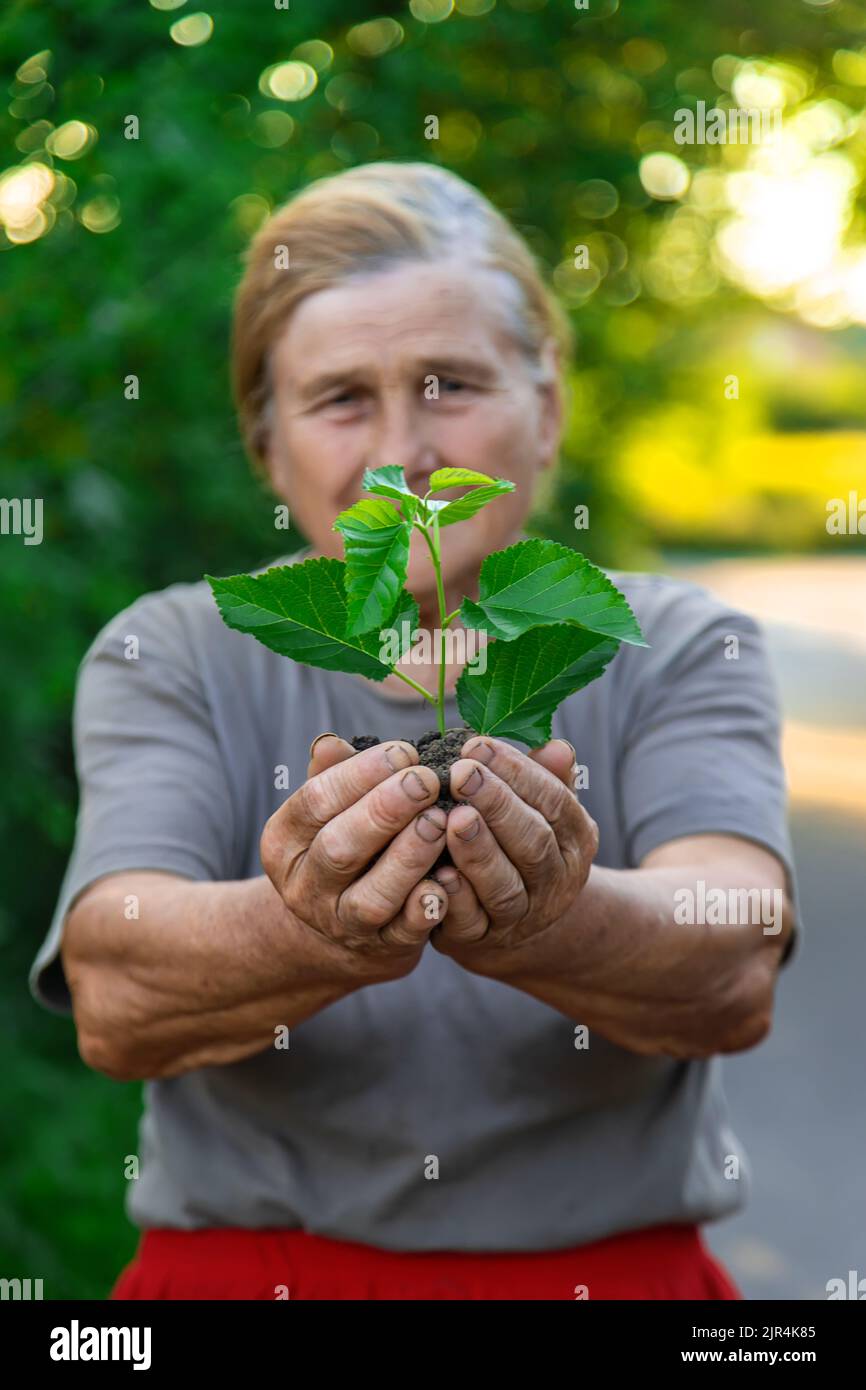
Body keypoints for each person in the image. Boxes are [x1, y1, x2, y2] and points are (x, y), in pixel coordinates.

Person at [30, 161, 799, 1301]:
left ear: (546, 409)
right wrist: (311, 930)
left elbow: (731, 953)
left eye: (449, 384)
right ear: (268, 444)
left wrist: (549, 917)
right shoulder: (179, 649)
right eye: (341, 398)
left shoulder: (668, 639)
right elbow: (117, 987)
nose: (405, 452)